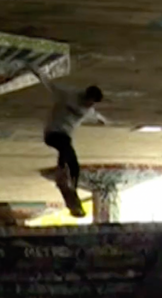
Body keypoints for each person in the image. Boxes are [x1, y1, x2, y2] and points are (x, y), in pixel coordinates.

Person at [28, 63, 107, 218]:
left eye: (92, 103)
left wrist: (104, 120)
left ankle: (72, 190)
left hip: (65, 136)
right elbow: (50, 85)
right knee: (65, 148)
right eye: (89, 101)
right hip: (52, 133)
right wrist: (37, 72)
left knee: (75, 164)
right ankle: (61, 173)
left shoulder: (88, 110)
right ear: (85, 94)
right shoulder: (68, 94)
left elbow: (95, 115)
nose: (89, 105)